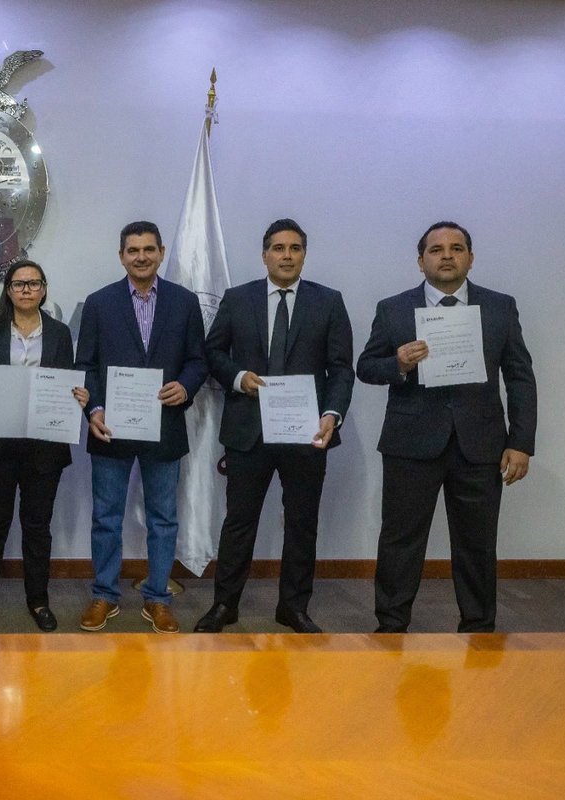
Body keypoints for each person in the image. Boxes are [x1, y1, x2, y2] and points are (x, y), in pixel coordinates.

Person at [357, 221, 536, 633]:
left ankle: (478, 627)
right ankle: (391, 625)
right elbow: (366, 367)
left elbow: (520, 376)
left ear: (471, 258)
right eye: (436, 250)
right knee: (401, 541)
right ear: (420, 261)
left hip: (481, 445)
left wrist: (521, 442)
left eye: (457, 248)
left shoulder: (500, 307)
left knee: (477, 544)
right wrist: (398, 363)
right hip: (410, 444)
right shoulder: (393, 308)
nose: (447, 255)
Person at [194, 219, 354, 634]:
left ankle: (294, 607)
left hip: (307, 432)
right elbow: (213, 351)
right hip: (249, 430)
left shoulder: (329, 301)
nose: (286, 255)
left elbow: (340, 369)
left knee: (301, 523)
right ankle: (225, 604)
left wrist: (332, 415)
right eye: (278, 248)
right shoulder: (238, 298)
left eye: (295, 248)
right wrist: (238, 377)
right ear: (264, 254)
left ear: (304, 255)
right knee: (238, 523)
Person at [74, 220, 207, 633]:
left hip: (164, 426)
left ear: (162, 252)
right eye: (133, 250)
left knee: (164, 518)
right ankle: (104, 596)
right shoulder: (98, 303)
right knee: (106, 517)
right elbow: (86, 365)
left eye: (149, 249)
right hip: (111, 427)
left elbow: (198, 360)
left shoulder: (185, 303)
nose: (142, 257)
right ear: (121, 256)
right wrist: (93, 409)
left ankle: (157, 599)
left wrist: (185, 387)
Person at [0, 260, 88, 633]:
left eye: (34, 283)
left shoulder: (60, 333)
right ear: (7, 290)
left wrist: (77, 397)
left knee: (37, 527)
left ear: (44, 289)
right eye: (19, 284)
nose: (26, 290)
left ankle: (39, 600)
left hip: (43, 448)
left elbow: (66, 380)